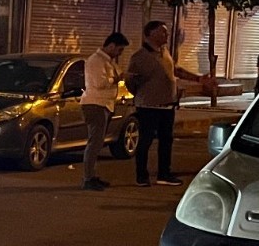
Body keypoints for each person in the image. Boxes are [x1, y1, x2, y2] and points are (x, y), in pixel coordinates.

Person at [125, 20, 212, 187]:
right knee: (145, 140)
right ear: (151, 34)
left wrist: (198, 79)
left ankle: (164, 173)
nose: (166, 35)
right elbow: (130, 80)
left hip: (167, 105)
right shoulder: (140, 56)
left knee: (166, 140)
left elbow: (175, 70)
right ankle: (141, 176)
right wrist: (143, 95)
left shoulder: (164, 51)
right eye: (162, 31)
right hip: (148, 106)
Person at [80, 32, 130, 191]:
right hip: (95, 104)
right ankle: (88, 178)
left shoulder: (108, 61)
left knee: (98, 143)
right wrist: (117, 78)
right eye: (119, 50)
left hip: (105, 104)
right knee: (94, 143)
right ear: (111, 46)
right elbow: (100, 83)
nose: (120, 53)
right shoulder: (96, 61)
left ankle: (92, 176)